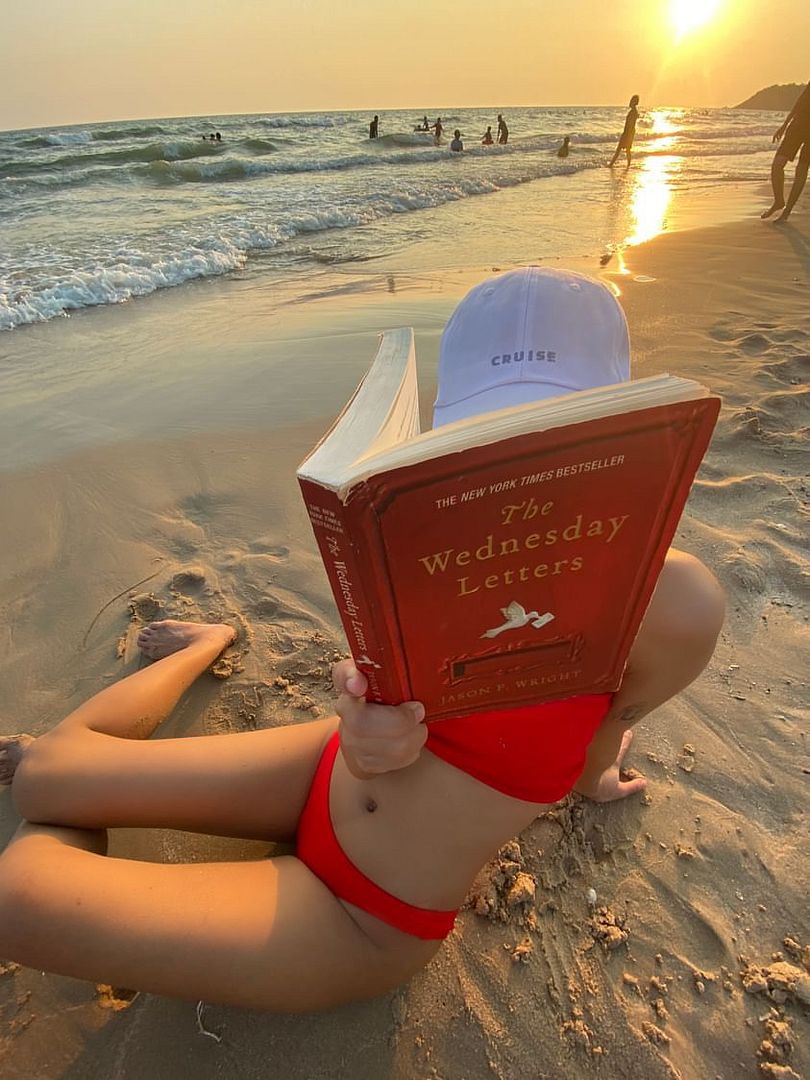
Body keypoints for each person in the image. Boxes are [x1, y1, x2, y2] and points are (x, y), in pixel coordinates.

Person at [0, 268, 725, 1013]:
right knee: (41, 776)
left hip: (359, 915)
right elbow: (384, 675)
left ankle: (125, 776)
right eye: (497, 442)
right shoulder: (426, 543)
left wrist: (599, 777)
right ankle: (201, 648)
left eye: (561, 438)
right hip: (323, 772)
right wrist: (360, 711)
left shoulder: (673, 600)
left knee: (14, 900)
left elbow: (617, 718)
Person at [761, 80, 810, 222]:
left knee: (801, 171)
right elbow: (800, 102)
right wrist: (784, 125)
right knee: (777, 164)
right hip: (798, 126)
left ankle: (786, 212)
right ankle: (779, 201)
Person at [609, 95, 640, 166]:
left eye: (631, 101)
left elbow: (631, 124)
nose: (630, 102)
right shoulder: (634, 111)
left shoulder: (633, 112)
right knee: (627, 150)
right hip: (629, 132)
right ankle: (628, 164)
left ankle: (611, 164)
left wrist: (627, 135)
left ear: (633, 102)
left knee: (620, 149)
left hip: (628, 133)